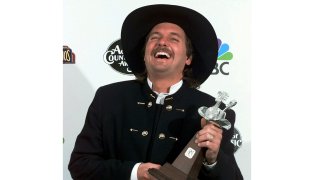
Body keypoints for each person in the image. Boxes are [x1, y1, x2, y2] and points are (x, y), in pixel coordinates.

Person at [68, 4, 243, 180]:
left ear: (188, 58)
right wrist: (135, 172)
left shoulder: (215, 113)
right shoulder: (108, 98)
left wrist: (212, 160)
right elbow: (80, 164)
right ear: (144, 54)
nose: (162, 42)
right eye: (155, 37)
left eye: (174, 39)